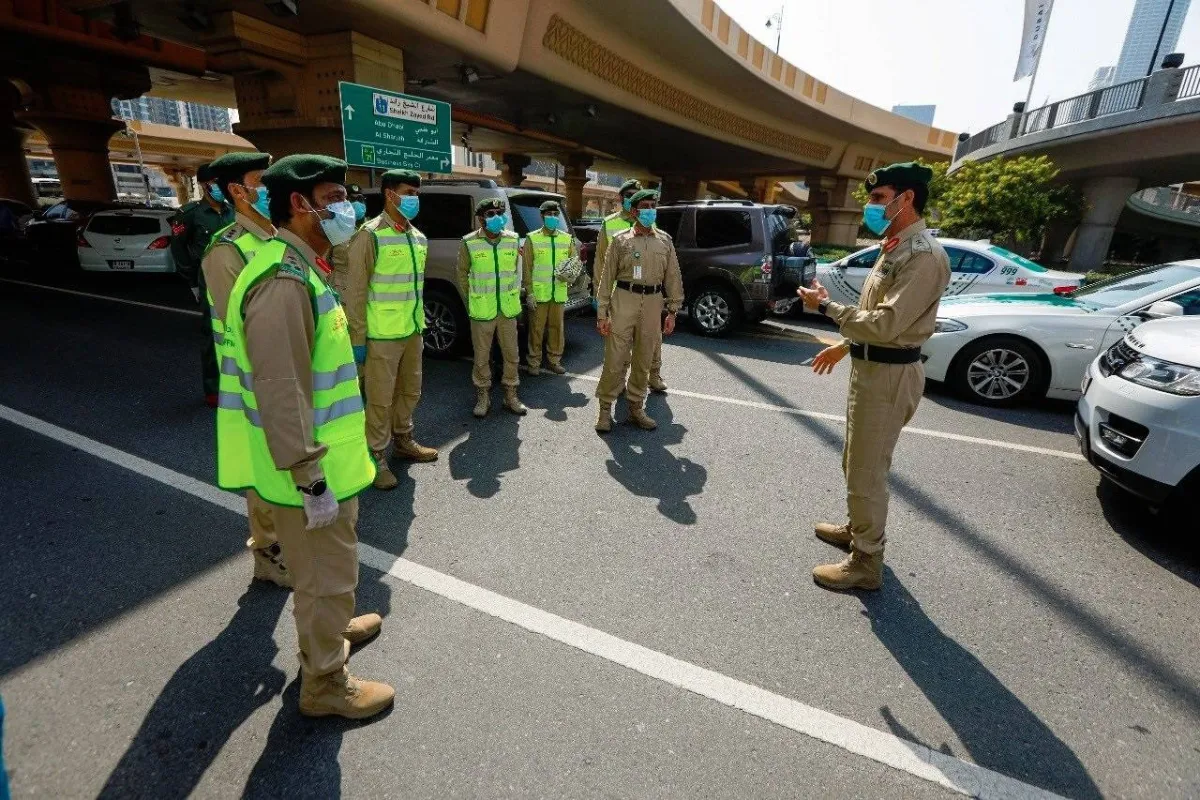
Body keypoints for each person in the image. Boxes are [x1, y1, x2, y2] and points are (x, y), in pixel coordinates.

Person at [220, 153, 393, 719]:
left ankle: (334, 630)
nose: (348, 206)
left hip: (329, 466)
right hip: (309, 475)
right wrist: (309, 476)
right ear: (300, 204)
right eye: (335, 196)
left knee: (332, 569)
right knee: (322, 576)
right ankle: (324, 681)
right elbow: (280, 388)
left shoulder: (303, 267)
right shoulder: (282, 282)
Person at [797, 161, 951, 592]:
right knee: (856, 461)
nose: (871, 207)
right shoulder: (897, 247)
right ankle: (858, 528)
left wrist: (826, 308)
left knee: (867, 470)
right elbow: (878, 320)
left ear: (907, 199)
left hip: (888, 376)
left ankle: (866, 562)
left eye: (879, 198)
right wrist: (847, 345)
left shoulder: (922, 256)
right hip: (872, 368)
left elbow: (885, 325)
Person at [198, 150, 295, 589]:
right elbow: (238, 330)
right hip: (255, 382)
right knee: (263, 471)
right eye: (263, 181)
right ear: (238, 190)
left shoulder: (279, 238)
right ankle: (268, 555)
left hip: (290, 375)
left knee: (288, 469)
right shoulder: (227, 251)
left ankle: (287, 547)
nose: (270, 189)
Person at [343, 169, 437, 492]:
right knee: (380, 400)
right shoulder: (370, 235)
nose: (414, 198)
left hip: (412, 332)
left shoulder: (418, 238)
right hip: (381, 336)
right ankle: (376, 456)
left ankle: (403, 439)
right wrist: (358, 340)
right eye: (408, 192)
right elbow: (355, 293)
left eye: (416, 193)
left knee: (410, 390)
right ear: (389, 194)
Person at [593, 189, 683, 433]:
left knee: (644, 358)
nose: (650, 210)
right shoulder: (621, 240)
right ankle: (604, 409)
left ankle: (635, 407)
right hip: (624, 298)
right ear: (634, 211)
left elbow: (673, 276)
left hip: (654, 301)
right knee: (615, 357)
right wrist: (602, 312)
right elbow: (606, 276)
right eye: (645, 206)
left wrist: (672, 310)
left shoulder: (664, 240)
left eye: (653, 205)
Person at [595, 179, 669, 394]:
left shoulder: (650, 225)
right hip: (620, 295)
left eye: (635, 195)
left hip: (646, 296)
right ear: (621, 198)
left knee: (652, 339)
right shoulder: (609, 224)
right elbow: (601, 263)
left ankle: (653, 375)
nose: (631, 199)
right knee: (619, 346)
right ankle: (617, 383)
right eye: (628, 195)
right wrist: (600, 298)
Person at [457, 197, 527, 418]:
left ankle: (510, 395)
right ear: (480, 220)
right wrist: (472, 301)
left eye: (499, 213)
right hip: (482, 310)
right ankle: (483, 395)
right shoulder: (469, 242)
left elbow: (518, 273)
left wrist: (519, 296)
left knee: (512, 354)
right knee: (482, 356)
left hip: (507, 309)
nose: (497, 218)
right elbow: (462, 274)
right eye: (490, 214)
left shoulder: (513, 240)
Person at [171, 162, 233, 407]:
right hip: (207, 279)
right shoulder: (190, 213)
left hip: (235, 276)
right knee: (212, 333)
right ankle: (213, 389)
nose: (220, 188)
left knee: (237, 331)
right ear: (205, 185)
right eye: (215, 183)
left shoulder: (233, 211)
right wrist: (192, 281)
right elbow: (179, 248)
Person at [522, 200, 579, 375]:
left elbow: (574, 263)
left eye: (556, 215)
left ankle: (554, 360)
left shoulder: (566, 238)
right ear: (542, 216)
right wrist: (529, 292)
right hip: (539, 293)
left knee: (556, 329)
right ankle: (534, 362)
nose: (553, 218)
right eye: (549, 215)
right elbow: (527, 268)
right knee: (536, 330)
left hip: (558, 292)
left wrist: (570, 275)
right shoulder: (532, 238)